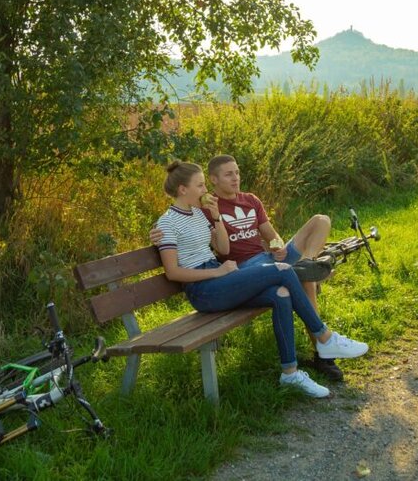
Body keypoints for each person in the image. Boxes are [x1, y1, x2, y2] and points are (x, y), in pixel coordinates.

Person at [153, 161, 367, 398]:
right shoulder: (166, 223)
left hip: (220, 278)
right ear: (183, 189)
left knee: (281, 295)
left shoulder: (198, 215)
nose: (205, 190)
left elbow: (222, 247)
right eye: (200, 185)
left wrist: (216, 218)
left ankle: (290, 373)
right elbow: (173, 272)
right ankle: (325, 337)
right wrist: (218, 272)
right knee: (283, 270)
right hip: (203, 290)